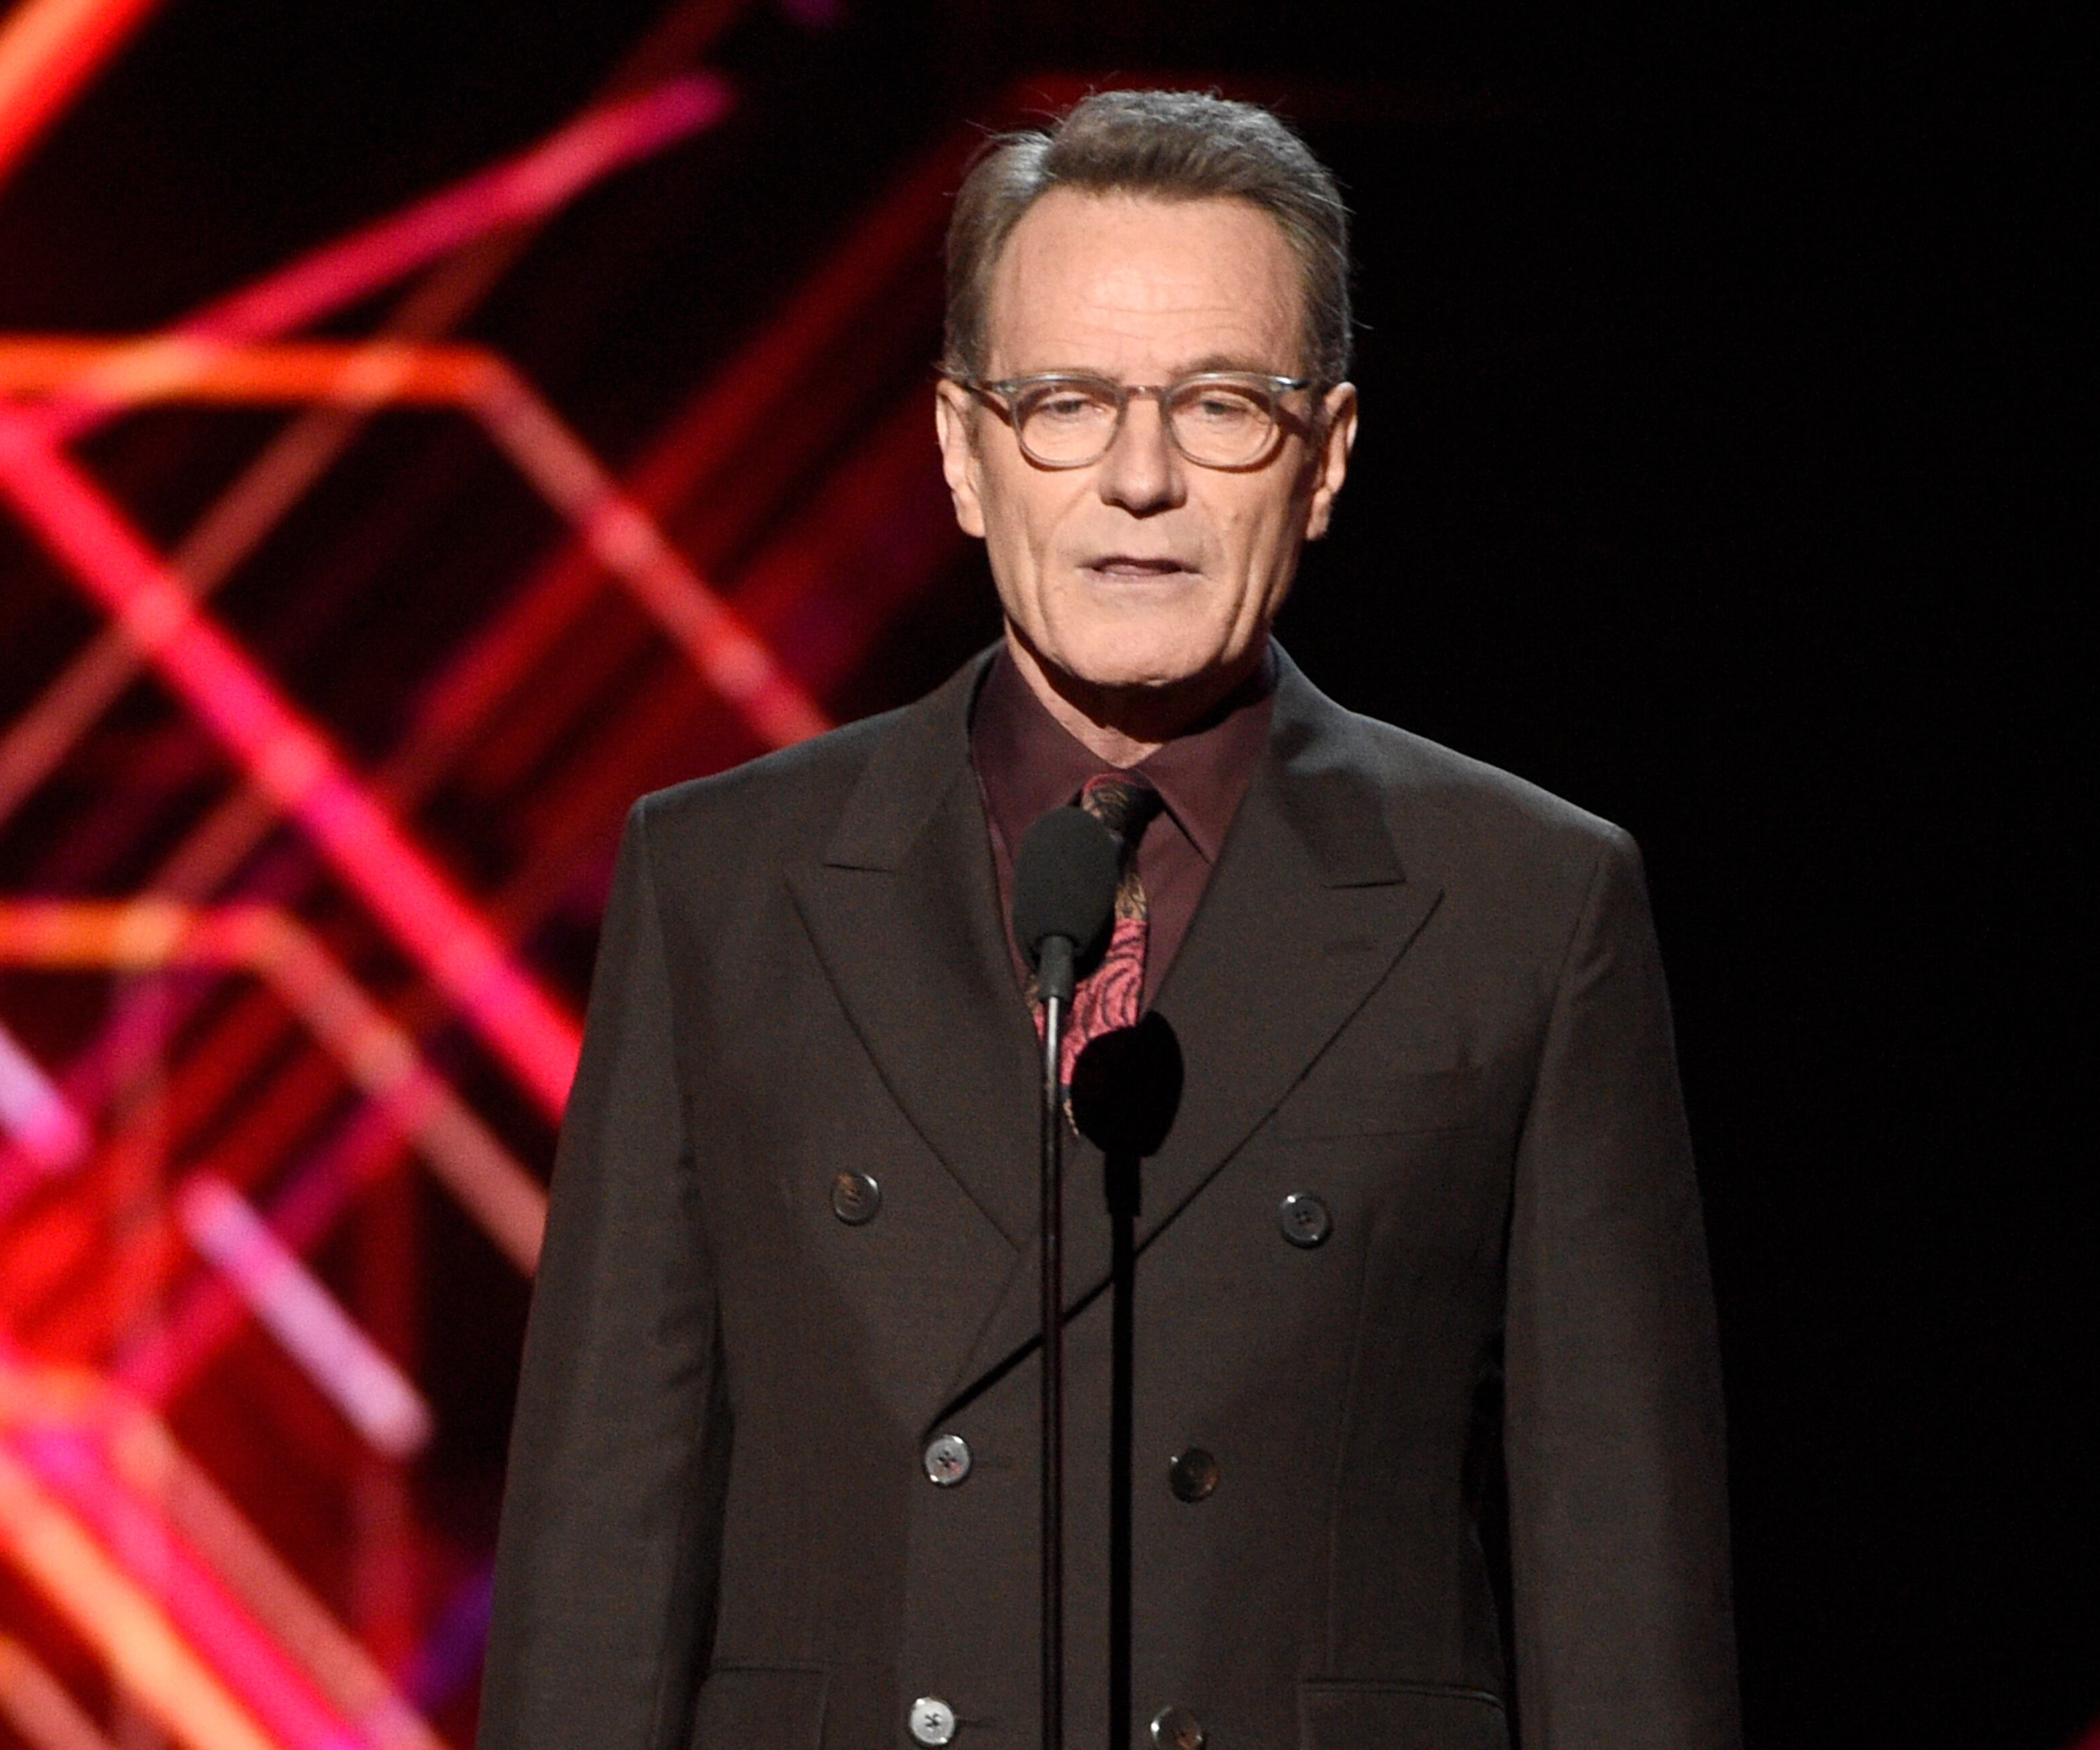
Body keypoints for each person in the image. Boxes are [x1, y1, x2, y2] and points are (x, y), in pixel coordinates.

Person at [477, 89, 1738, 1750]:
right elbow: (599, 1562)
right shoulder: (725, 886)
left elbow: (1620, 1589)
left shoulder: (1528, 903)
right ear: (962, 451)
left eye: (1221, 406)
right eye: (1066, 402)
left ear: (1328, 459)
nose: (1140, 480)